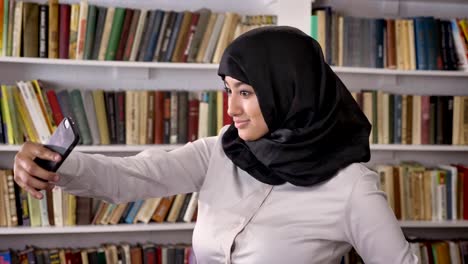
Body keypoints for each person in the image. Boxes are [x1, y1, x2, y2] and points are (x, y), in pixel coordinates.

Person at [14, 26, 418, 263]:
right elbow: (132, 176)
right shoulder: (220, 152)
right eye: (227, 91)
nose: (231, 110)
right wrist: (58, 165)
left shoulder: (351, 186)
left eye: (245, 92)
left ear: (289, 91)